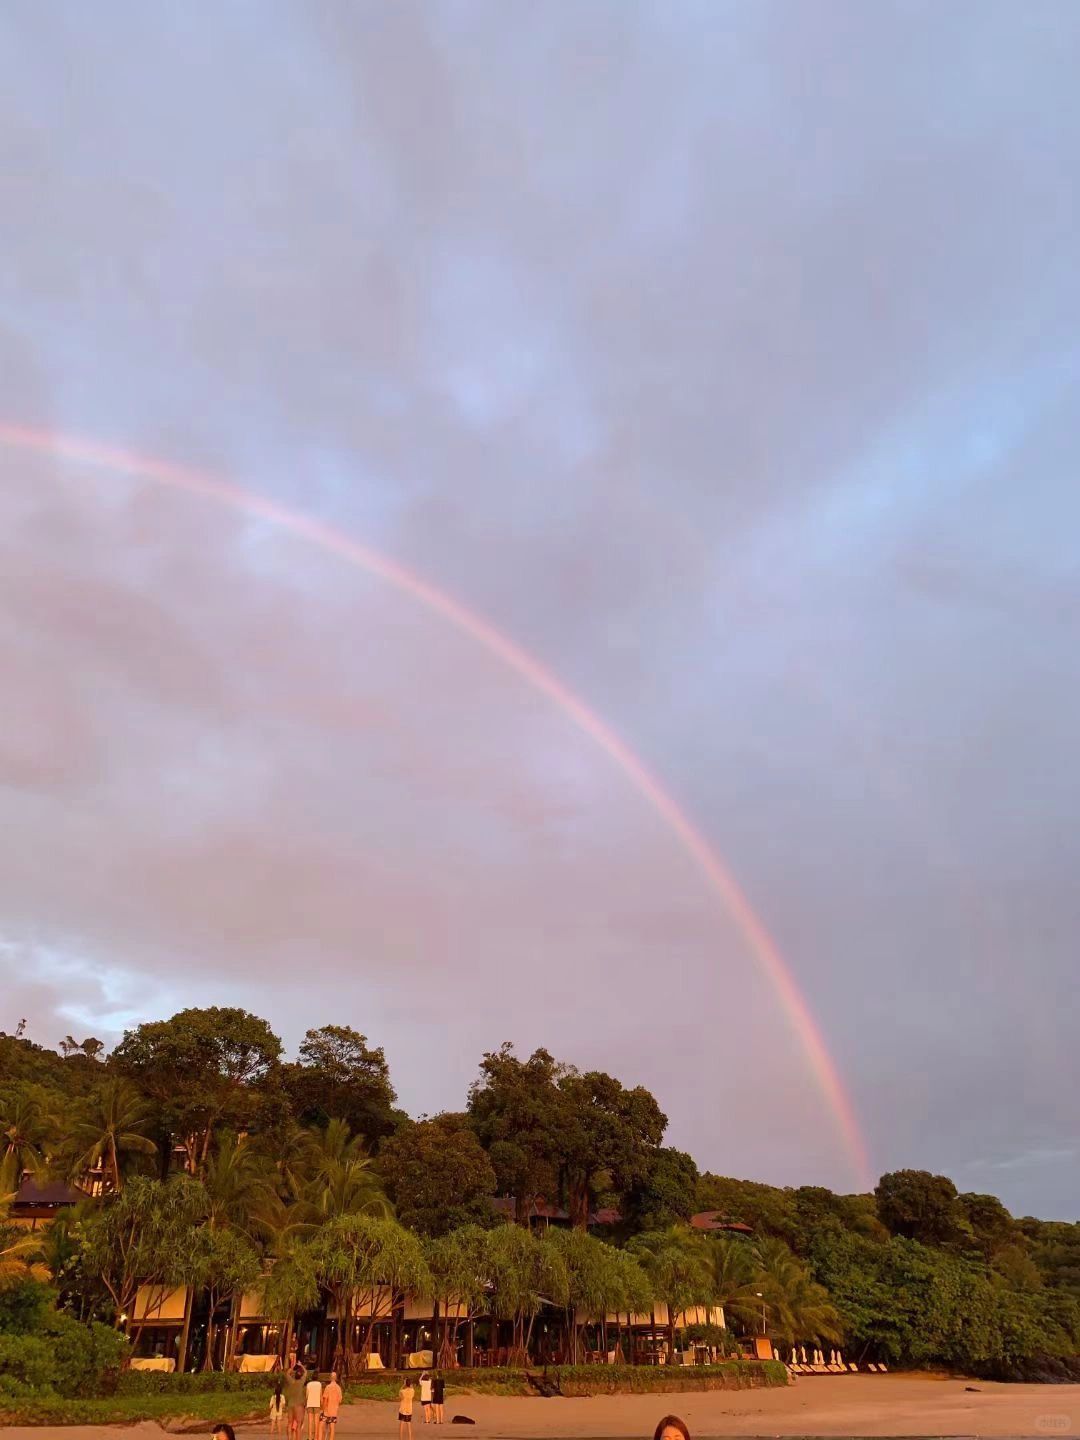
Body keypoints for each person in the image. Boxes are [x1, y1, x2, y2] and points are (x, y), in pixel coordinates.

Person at [285, 1362, 307, 1440]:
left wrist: (293, 1366)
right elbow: (306, 1372)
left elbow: (287, 1373)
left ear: (295, 1375)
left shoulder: (291, 1382)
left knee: (290, 1423)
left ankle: (290, 1438)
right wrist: (301, 1365)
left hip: (290, 1404)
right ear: (300, 1376)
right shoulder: (301, 1382)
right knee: (298, 1424)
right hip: (299, 1405)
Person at [321, 1369, 343, 1438]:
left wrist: (323, 1409)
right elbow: (340, 1400)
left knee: (321, 1426)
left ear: (330, 1377)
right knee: (332, 1427)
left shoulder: (328, 1387)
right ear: (336, 1378)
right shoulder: (338, 1388)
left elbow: (325, 1399)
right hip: (334, 1410)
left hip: (327, 1410)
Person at [305, 1370, 323, 1440]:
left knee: (310, 1422)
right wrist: (322, 1405)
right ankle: (315, 1438)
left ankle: (309, 1437)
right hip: (317, 1404)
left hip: (310, 1404)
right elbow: (321, 1395)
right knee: (316, 1422)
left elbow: (306, 1395)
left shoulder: (308, 1384)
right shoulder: (319, 1384)